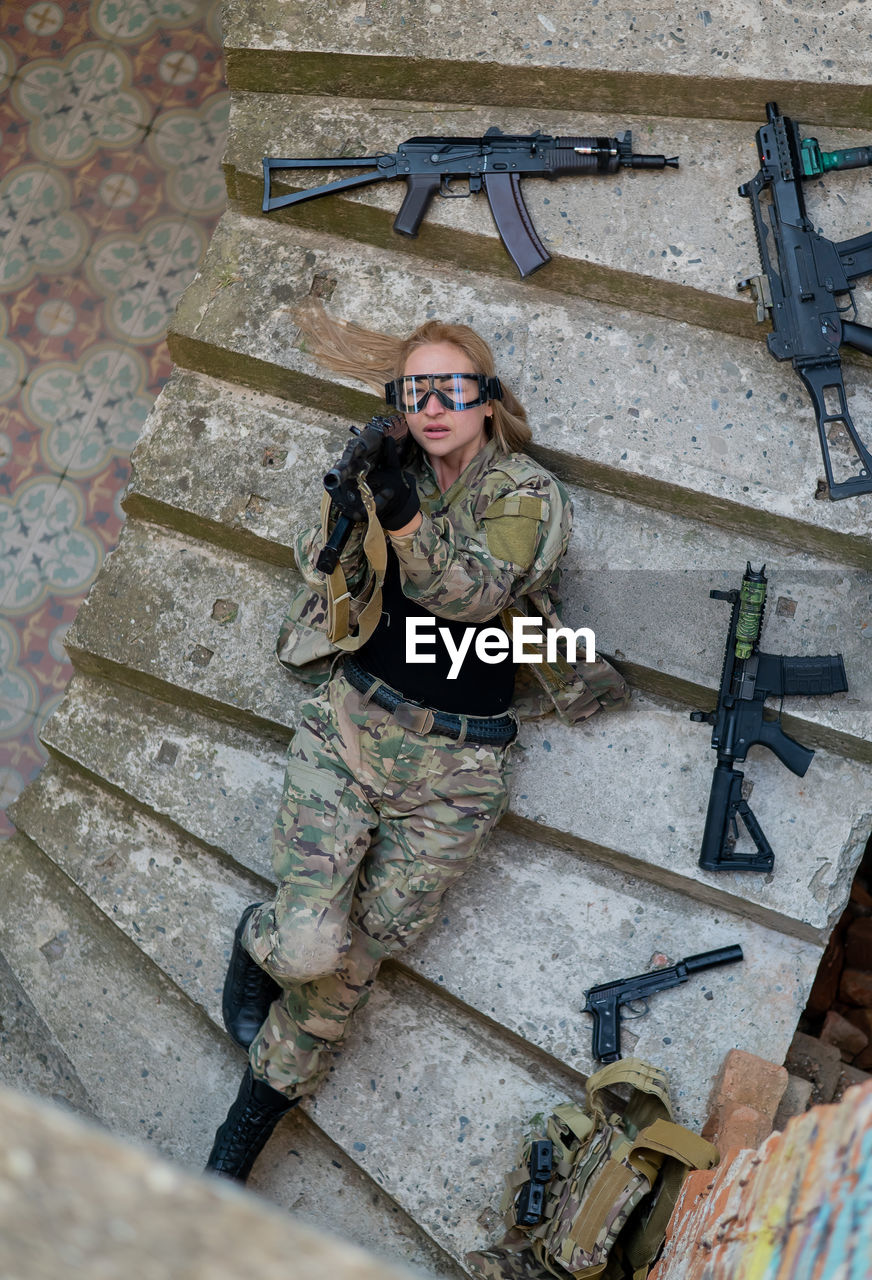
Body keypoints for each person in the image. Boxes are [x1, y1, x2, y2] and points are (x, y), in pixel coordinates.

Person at [203, 300, 628, 1183]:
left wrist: (400, 517)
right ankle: (263, 938)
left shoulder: (526, 493)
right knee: (310, 951)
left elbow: (474, 597)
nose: (433, 406)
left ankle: (234, 1147)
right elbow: (318, 569)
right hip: (354, 727)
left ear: (486, 400)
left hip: (457, 770)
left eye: (453, 389)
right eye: (415, 391)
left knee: (355, 963)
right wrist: (350, 500)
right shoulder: (388, 471)